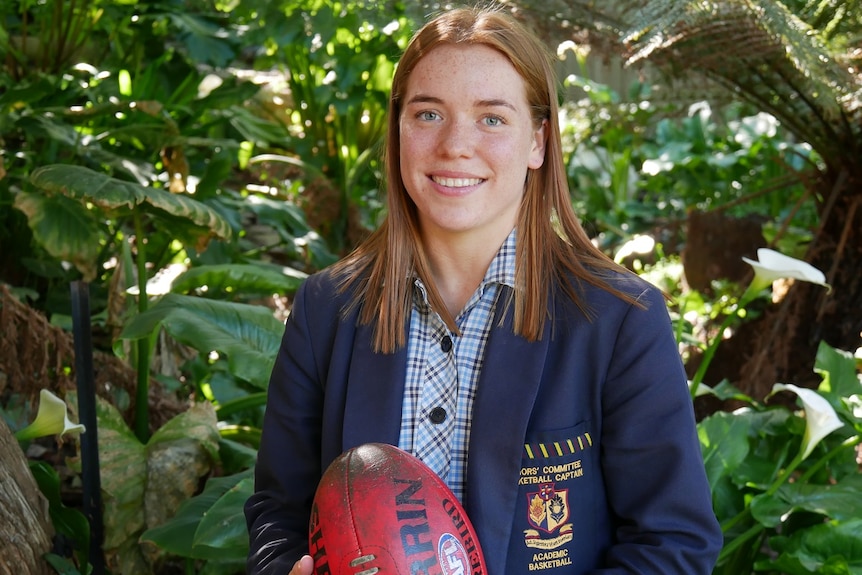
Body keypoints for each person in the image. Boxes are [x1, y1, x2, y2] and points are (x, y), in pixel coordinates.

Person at [245, 5, 723, 575]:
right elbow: (279, 513)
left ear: (538, 142)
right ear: (398, 131)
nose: (454, 145)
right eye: (428, 114)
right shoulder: (327, 311)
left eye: (492, 118)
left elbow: (673, 543)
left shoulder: (620, 320)